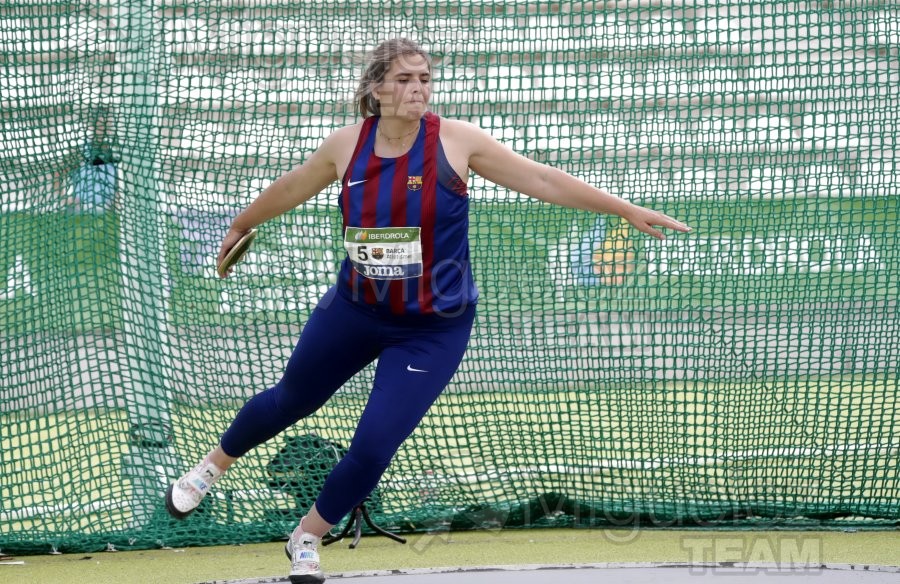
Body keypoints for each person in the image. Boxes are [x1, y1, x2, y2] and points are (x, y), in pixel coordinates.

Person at [165, 38, 691, 584]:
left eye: (424, 79)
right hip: (355, 308)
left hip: (431, 329)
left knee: (373, 447)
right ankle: (210, 468)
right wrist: (241, 222)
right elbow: (292, 187)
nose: (418, 88)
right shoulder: (346, 146)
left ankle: (307, 536)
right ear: (376, 88)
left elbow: (540, 178)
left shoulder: (455, 142)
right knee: (292, 399)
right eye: (405, 79)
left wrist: (622, 208)